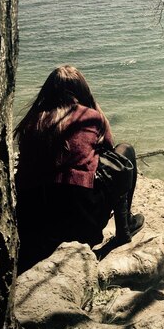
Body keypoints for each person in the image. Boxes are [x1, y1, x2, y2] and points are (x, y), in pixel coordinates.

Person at [15, 65, 144, 273]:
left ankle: (123, 227)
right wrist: (95, 108)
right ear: (83, 91)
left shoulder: (31, 121)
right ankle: (124, 227)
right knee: (125, 152)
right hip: (82, 227)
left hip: (35, 229)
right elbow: (109, 149)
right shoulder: (90, 116)